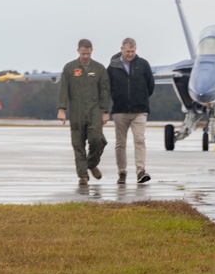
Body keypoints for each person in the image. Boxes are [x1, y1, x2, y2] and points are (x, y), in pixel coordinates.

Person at [57, 38, 110, 186]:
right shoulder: (69, 68)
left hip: (94, 110)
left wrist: (105, 111)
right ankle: (83, 176)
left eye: (88, 53)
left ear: (92, 51)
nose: (85, 56)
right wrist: (62, 109)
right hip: (76, 110)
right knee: (78, 144)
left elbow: (105, 91)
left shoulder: (99, 69)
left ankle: (91, 163)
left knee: (98, 139)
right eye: (83, 53)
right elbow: (63, 89)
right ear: (78, 51)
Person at [108, 37, 156, 185]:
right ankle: (121, 172)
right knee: (120, 143)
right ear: (121, 49)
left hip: (139, 110)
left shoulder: (143, 65)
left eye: (133, 51)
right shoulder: (112, 67)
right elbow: (107, 88)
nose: (130, 54)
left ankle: (141, 171)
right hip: (120, 111)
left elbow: (150, 85)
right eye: (128, 51)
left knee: (139, 140)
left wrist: (139, 98)